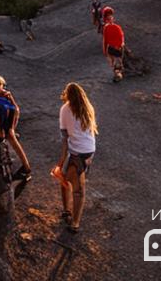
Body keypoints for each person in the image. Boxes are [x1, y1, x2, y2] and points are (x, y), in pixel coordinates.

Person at [56, 82, 97, 233]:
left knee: (76, 187)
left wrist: (61, 159)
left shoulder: (65, 109)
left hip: (77, 152)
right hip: (89, 150)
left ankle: (75, 222)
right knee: (68, 179)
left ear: (67, 94)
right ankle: (68, 212)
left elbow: (65, 137)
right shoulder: (88, 107)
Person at [0, 74, 31, 182]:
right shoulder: (7, 97)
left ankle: (6, 175)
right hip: (9, 128)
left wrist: (1, 132)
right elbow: (16, 111)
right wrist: (12, 128)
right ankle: (26, 168)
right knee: (15, 145)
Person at [101, 6, 125, 82]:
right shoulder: (117, 27)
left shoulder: (106, 28)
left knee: (114, 63)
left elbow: (105, 40)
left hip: (111, 49)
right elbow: (121, 38)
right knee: (117, 63)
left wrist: (105, 50)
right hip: (117, 48)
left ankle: (117, 74)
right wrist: (121, 46)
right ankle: (117, 74)